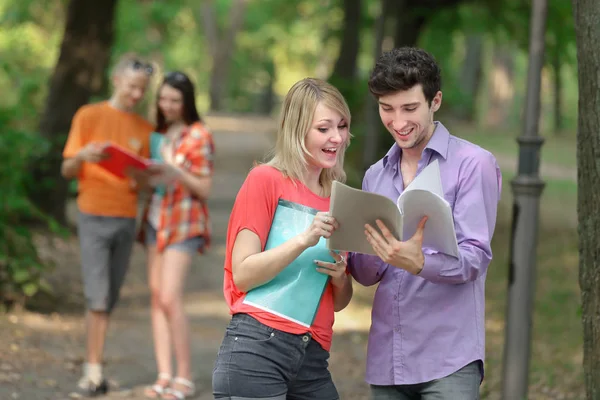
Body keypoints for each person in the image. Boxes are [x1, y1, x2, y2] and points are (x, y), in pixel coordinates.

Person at [348, 47, 502, 399]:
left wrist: (421, 263)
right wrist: (354, 251)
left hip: (449, 360)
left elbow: (475, 256)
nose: (398, 122)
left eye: (409, 108)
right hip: (388, 360)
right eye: (387, 109)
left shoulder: (473, 165)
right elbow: (367, 273)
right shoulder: (375, 175)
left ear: (435, 101)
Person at [212, 78, 354, 400]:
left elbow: (339, 302)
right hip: (257, 347)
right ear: (297, 129)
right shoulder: (265, 180)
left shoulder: (339, 199)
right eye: (324, 128)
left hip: (313, 357)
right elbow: (244, 273)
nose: (337, 137)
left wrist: (341, 279)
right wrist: (304, 240)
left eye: (342, 126)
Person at [60, 53, 155, 396]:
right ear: (116, 80)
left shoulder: (145, 129)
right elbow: (67, 170)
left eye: (142, 90)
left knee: (110, 296)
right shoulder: (89, 116)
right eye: (131, 87)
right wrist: (83, 157)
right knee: (97, 297)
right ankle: (91, 372)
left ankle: (97, 367)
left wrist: (139, 176)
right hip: (93, 213)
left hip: (126, 217)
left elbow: (148, 182)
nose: (135, 95)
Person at [137, 71, 215, 400]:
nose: (167, 105)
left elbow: (204, 187)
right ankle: (164, 374)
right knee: (156, 298)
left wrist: (175, 170)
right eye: (163, 99)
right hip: (155, 219)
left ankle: (185, 377)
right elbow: (147, 184)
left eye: (174, 100)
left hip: (184, 222)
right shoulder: (157, 134)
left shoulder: (198, 136)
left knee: (170, 297)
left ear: (186, 102)